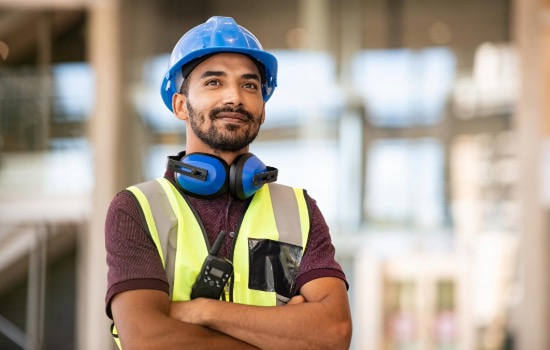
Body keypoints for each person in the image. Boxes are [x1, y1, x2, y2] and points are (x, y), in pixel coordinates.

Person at [105, 16, 352, 350]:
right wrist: (284, 336)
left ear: (262, 110)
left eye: (249, 85)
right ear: (181, 105)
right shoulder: (137, 208)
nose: (234, 97)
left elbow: (334, 333)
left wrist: (204, 311)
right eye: (214, 83)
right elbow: (148, 339)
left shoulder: (299, 211)